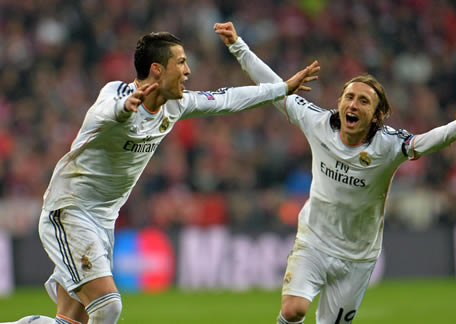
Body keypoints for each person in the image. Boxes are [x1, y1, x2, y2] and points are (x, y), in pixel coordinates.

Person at [7, 30, 319, 324]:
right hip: (70, 210)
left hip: (103, 220)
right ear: (157, 69)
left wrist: (282, 88)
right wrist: (123, 109)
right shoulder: (116, 93)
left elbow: (228, 99)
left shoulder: (176, 105)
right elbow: (102, 112)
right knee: (108, 305)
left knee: (73, 320)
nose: (188, 71)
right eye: (181, 62)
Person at [214, 22, 456, 324]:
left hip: (358, 257)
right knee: (293, 310)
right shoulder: (318, 122)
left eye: (363, 101)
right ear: (340, 102)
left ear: (376, 115)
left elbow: (424, 143)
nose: (353, 104)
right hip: (313, 241)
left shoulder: (388, 145)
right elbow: (275, 89)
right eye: (349, 97)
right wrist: (238, 45)